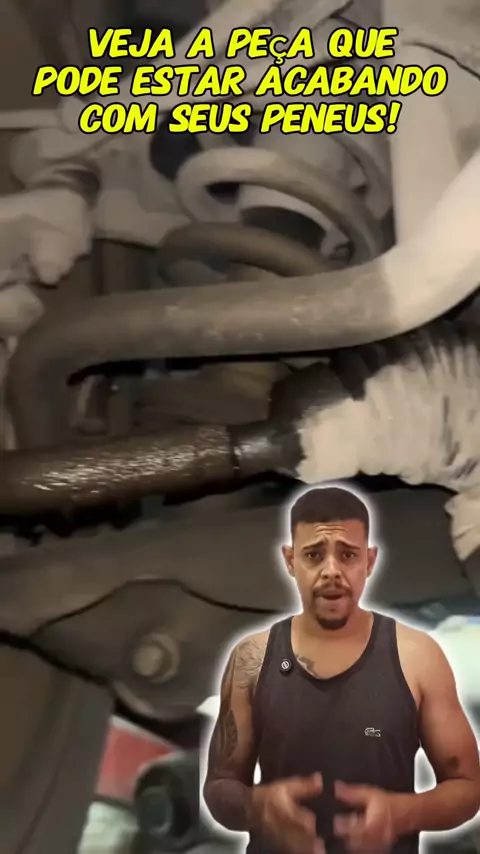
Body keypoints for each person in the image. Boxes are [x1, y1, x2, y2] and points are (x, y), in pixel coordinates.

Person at [202, 486, 480, 854]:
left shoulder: (418, 656)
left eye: (347, 555)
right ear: (290, 560)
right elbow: (219, 785)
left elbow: (467, 786)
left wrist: (402, 814)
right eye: (314, 555)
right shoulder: (250, 659)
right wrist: (257, 806)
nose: (331, 571)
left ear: (369, 561)